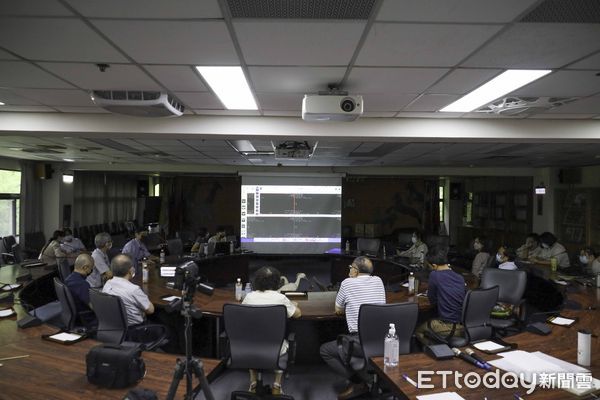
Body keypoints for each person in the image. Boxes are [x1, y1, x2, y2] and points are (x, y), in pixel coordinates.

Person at [320, 256, 386, 400]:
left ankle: (358, 382)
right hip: (383, 340)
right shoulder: (378, 281)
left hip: (359, 343)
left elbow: (338, 309)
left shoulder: (347, 283)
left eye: (351, 267)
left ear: (355, 271)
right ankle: (369, 380)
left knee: (325, 350)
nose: (349, 269)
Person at [241, 266, 301, 395]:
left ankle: (253, 383)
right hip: (275, 349)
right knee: (282, 344)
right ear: (277, 282)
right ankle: (277, 385)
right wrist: (293, 305)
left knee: (252, 336)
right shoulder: (281, 298)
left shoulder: (249, 297)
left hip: (249, 348)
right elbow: (298, 314)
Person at [415, 247, 466, 346]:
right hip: (463, 326)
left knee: (418, 331)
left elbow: (432, 300)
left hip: (449, 327)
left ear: (434, 266)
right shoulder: (460, 277)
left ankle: (436, 351)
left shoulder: (435, 275)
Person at [102, 254, 154, 326]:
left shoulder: (107, 284)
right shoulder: (133, 289)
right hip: (136, 329)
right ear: (131, 271)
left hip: (114, 327)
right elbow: (150, 310)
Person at [64, 253, 97, 329]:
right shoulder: (82, 284)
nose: (91, 271)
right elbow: (93, 307)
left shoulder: (68, 279)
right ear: (85, 267)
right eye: (91, 268)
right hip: (86, 320)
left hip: (75, 317)